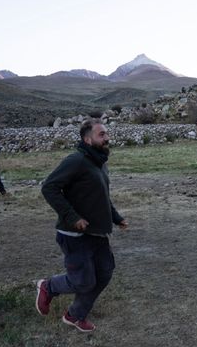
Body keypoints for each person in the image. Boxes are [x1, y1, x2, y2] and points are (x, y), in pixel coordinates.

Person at [36, 119, 128, 332]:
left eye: (106, 134)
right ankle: (48, 286)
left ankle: (75, 315)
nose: (107, 138)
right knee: (84, 281)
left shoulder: (100, 163)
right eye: (101, 135)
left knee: (104, 274)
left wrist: (116, 217)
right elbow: (49, 188)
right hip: (74, 234)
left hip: (98, 233)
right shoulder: (76, 160)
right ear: (87, 139)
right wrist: (72, 217)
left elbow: (102, 197)